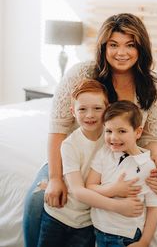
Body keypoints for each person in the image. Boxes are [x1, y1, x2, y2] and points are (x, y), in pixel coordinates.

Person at [23, 13, 157, 247]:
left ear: (141, 48)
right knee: (38, 200)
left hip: (124, 157)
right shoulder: (81, 74)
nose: (121, 52)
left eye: (130, 45)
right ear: (103, 47)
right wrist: (55, 178)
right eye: (113, 45)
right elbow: (58, 129)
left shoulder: (150, 84)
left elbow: (152, 136)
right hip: (78, 156)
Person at [37, 79, 144, 247]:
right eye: (82, 109)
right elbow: (78, 191)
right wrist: (117, 205)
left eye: (97, 108)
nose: (90, 115)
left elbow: (136, 151)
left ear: (107, 108)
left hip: (87, 223)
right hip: (59, 215)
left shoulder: (112, 138)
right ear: (73, 111)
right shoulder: (69, 145)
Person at [86, 100, 157, 247]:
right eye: (109, 131)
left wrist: (144, 241)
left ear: (138, 132)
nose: (113, 137)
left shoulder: (148, 166)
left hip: (125, 235)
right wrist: (113, 190)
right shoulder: (104, 153)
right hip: (99, 230)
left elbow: (154, 208)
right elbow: (90, 186)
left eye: (122, 131)